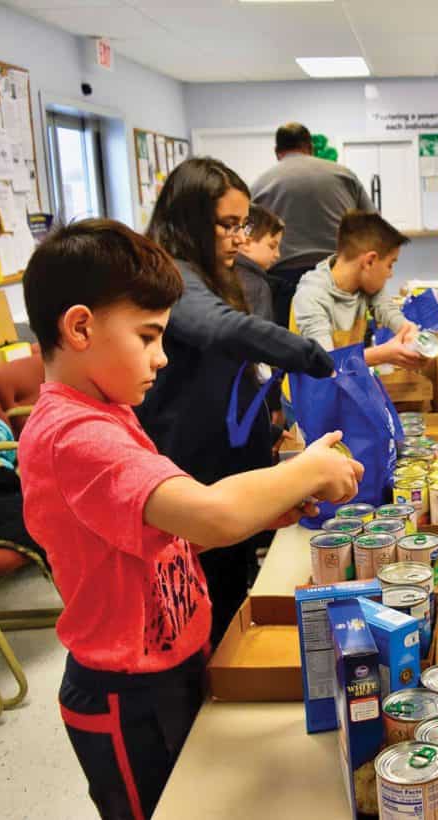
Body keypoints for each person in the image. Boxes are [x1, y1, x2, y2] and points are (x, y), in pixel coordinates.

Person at [18, 218, 362, 820]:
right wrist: (308, 469)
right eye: (148, 337)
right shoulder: (75, 436)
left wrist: (264, 512)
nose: (160, 358)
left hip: (171, 663)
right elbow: (210, 513)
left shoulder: (108, 412)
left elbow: (162, 535)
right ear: (80, 327)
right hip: (127, 693)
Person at [138, 157, 336, 648]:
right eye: (227, 225)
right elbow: (222, 331)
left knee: (231, 596)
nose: (238, 237)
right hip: (193, 467)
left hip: (224, 462)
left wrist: (269, 431)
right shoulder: (173, 275)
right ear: (190, 221)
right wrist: (312, 356)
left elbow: (233, 374)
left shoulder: (212, 272)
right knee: (214, 606)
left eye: (242, 224)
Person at [251, 123, 375, 325]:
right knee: (343, 346)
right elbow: (373, 225)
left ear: (277, 151)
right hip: (338, 275)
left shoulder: (260, 184)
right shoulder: (344, 175)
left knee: (290, 347)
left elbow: (247, 237)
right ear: (310, 146)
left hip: (283, 280)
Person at [291, 210, 426, 370]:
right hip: (309, 392)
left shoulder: (365, 283)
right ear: (369, 261)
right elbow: (326, 362)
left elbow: (388, 311)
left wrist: (408, 329)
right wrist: (382, 354)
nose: (391, 274)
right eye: (390, 264)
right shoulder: (311, 296)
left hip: (345, 384)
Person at [234, 204, 284, 322]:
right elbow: (260, 334)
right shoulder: (257, 286)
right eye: (272, 246)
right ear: (246, 243)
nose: (278, 255)